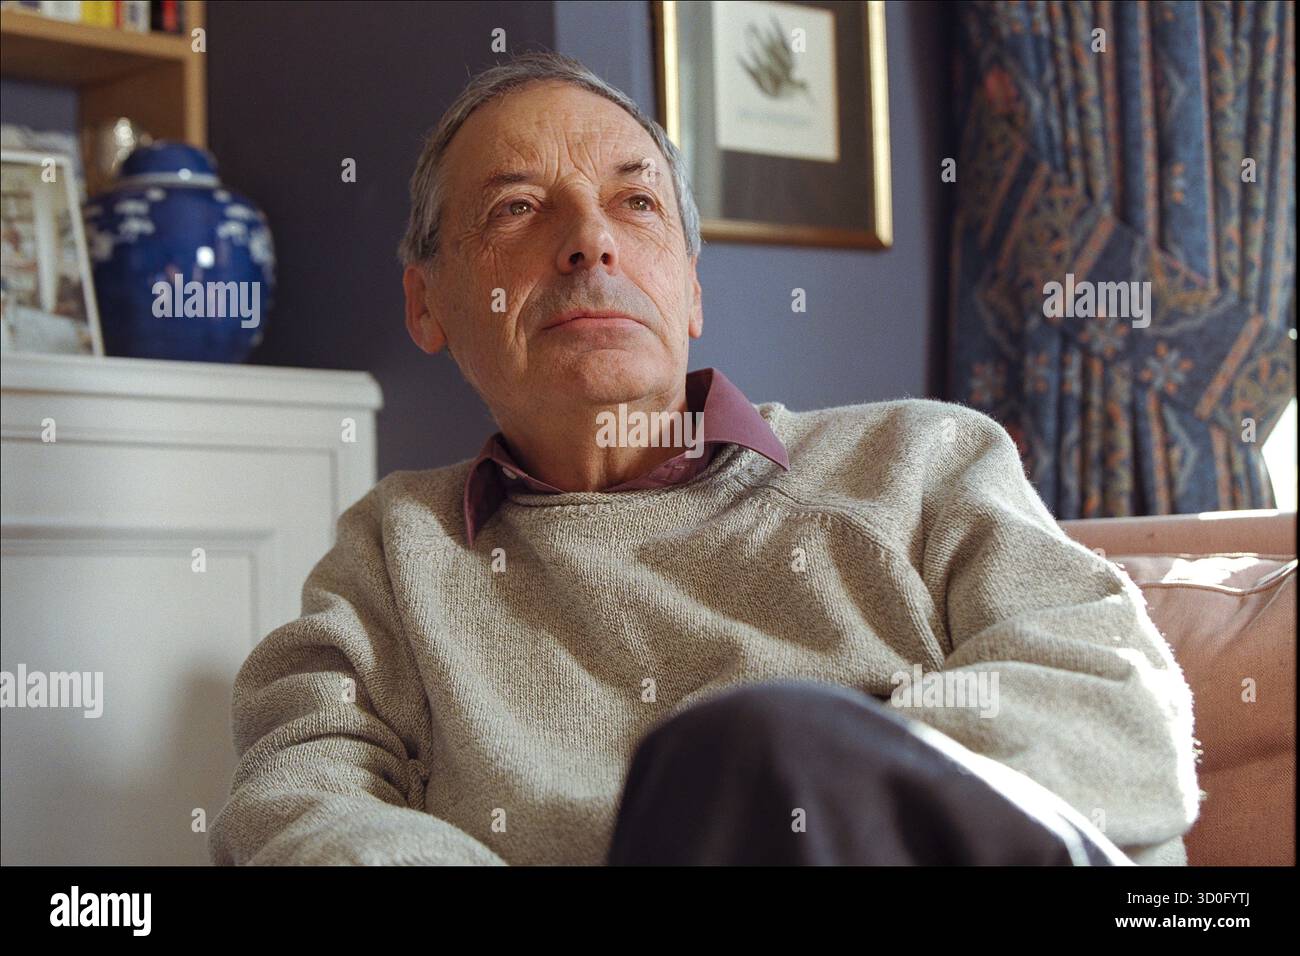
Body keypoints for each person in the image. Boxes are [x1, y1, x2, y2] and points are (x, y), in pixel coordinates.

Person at [209, 52, 1200, 866]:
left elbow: (1112, 702)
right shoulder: (392, 551)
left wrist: (810, 786)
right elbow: (296, 806)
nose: (589, 241)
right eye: (516, 208)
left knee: (758, 748)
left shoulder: (923, 457)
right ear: (425, 302)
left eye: (634, 205)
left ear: (689, 288)